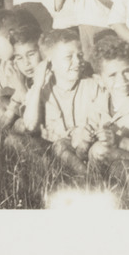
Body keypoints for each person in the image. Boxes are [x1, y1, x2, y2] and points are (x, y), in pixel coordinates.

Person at [72, 33, 129, 166]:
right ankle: (86, 178)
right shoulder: (100, 101)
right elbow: (82, 149)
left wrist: (119, 141)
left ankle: (93, 182)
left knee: (99, 150)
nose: (122, 80)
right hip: (110, 161)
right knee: (62, 144)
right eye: (112, 75)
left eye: (127, 71)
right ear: (99, 79)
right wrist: (85, 139)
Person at [21, 29, 91, 174]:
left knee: (61, 145)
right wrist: (38, 84)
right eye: (68, 57)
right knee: (13, 140)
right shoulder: (42, 88)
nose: (77, 61)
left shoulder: (91, 85)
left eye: (79, 55)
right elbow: (30, 125)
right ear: (50, 63)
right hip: (51, 149)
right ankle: (50, 171)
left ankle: (88, 178)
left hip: (81, 148)